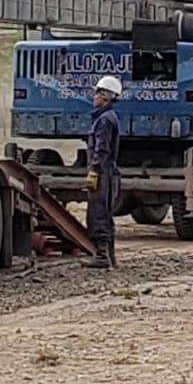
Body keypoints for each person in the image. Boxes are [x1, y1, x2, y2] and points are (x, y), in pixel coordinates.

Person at [84, 75, 123, 266]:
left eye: (98, 93)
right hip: (107, 172)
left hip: (103, 173)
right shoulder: (107, 117)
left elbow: (102, 149)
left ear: (106, 97)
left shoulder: (105, 120)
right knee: (105, 214)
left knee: (98, 213)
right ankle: (110, 257)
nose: (94, 97)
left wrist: (94, 170)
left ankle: (101, 257)